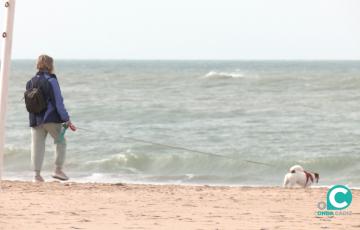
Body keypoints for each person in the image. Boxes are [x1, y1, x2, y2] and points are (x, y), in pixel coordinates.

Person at [26, 54, 76, 182]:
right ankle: (57, 170)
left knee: (37, 146)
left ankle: (36, 176)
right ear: (51, 65)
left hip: (35, 119)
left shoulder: (31, 81)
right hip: (51, 119)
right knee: (61, 142)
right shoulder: (52, 81)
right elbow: (58, 102)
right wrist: (67, 119)